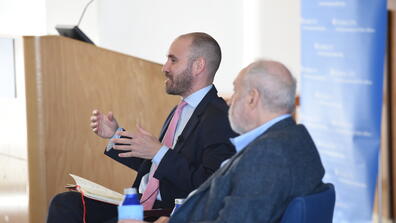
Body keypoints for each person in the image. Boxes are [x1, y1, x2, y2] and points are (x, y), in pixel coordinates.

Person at [47, 32, 237, 223]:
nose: (165, 67)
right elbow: (155, 165)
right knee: (65, 203)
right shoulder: (180, 109)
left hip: (168, 212)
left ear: (198, 66)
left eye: (173, 60)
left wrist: (160, 152)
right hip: (142, 203)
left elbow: (209, 183)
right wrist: (115, 135)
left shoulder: (219, 117)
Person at [119, 59, 326, 223]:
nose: (229, 100)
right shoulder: (296, 138)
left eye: (236, 91)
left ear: (252, 98)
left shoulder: (268, 154)